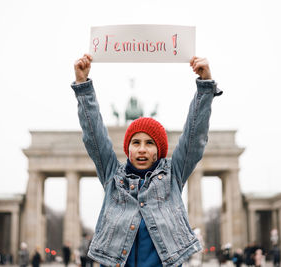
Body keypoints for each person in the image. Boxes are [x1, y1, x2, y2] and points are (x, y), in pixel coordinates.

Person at [71, 54, 222, 267]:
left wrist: (205, 87)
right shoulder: (112, 176)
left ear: (159, 150)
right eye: (136, 142)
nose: (142, 149)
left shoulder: (173, 175)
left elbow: (194, 138)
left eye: (150, 143)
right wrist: (83, 86)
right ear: (128, 148)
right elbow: (93, 134)